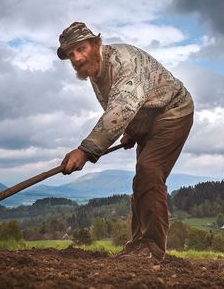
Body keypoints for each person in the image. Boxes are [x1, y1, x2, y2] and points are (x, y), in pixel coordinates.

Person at [58, 22, 194, 260]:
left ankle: (152, 248)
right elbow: (124, 104)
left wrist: (86, 150)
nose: (77, 58)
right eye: (71, 54)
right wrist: (132, 129)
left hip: (173, 111)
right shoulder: (95, 68)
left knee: (149, 170)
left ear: (96, 43)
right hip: (150, 118)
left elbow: (121, 108)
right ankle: (138, 244)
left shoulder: (124, 61)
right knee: (142, 179)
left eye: (80, 48)